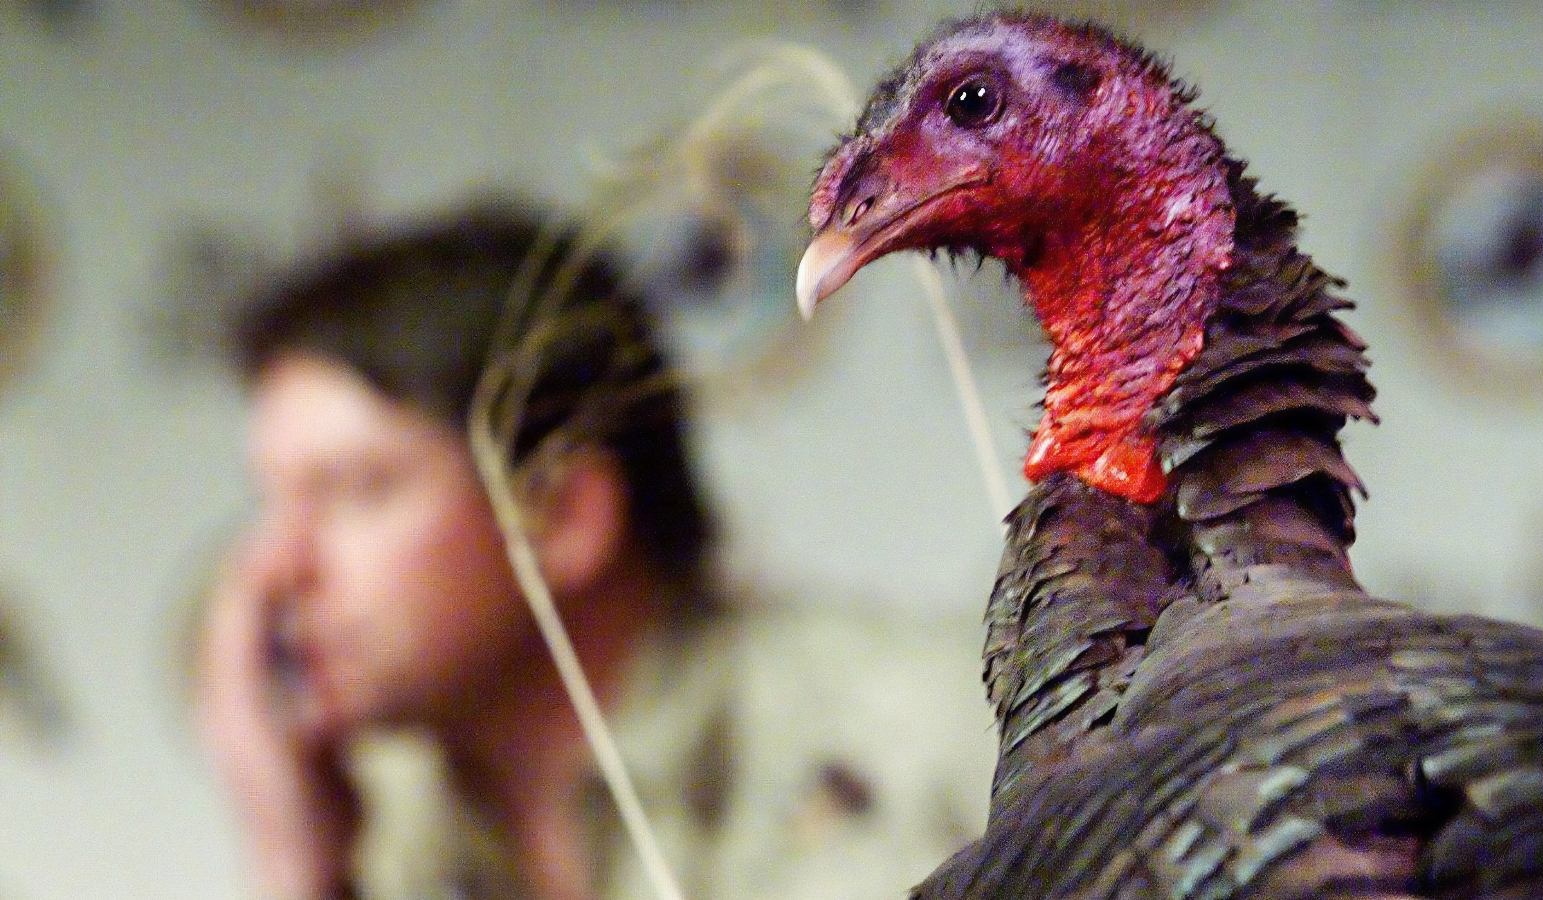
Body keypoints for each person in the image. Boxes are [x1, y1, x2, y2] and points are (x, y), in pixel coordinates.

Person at [194, 201, 995, 900]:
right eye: (270, 502)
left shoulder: (944, 730)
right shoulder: (376, 828)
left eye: (357, 490)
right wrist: (296, 870)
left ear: (567, 515)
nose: (271, 569)